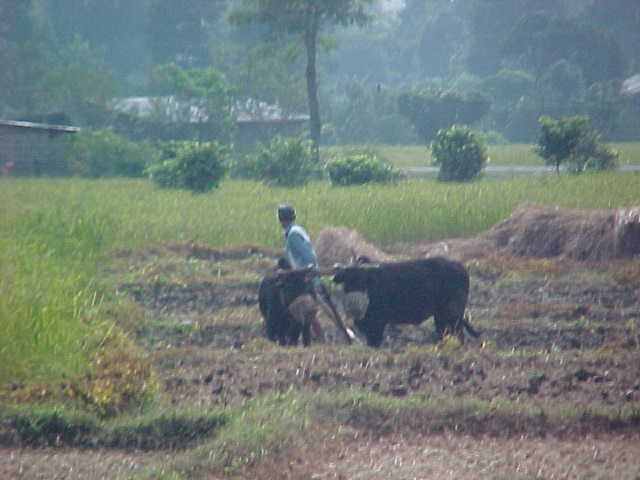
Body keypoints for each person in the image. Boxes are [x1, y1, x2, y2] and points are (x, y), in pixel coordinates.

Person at [277, 204, 355, 343]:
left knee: (311, 313)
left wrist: (309, 273)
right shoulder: (297, 230)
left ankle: (331, 337)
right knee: (311, 314)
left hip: (305, 278)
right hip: (306, 276)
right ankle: (323, 338)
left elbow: (309, 257)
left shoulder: (293, 235)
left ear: (281, 220)